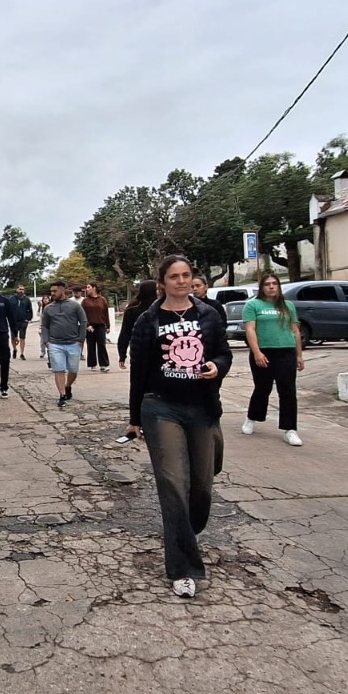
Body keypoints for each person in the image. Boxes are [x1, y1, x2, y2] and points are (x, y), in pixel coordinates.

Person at [124, 255, 232, 599]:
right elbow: (138, 372)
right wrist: (134, 418)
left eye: (186, 275)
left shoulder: (209, 314)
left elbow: (224, 353)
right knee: (172, 484)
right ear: (163, 282)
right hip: (161, 407)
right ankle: (182, 568)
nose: (182, 281)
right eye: (174, 277)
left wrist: (216, 366)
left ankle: (185, 532)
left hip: (201, 408)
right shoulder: (148, 320)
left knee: (201, 486)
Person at [241, 273, 305, 446]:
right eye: (267, 284)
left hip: (286, 352)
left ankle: (290, 429)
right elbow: (250, 330)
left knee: (288, 391)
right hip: (264, 352)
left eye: (274, 284)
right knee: (262, 388)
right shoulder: (253, 305)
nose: (271, 287)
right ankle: (252, 417)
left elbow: (295, 331)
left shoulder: (288, 306)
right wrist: (257, 352)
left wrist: (299, 355)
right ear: (261, 287)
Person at [40, 280, 85, 406]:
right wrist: (47, 341)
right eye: (51, 291)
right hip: (55, 344)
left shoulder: (75, 306)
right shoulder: (48, 308)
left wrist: (81, 339)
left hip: (73, 343)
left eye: (55, 291)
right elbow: (45, 326)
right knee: (58, 369)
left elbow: (83, 321)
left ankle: (68, 385)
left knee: (73, 370)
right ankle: (62, 394)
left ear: (63, 290)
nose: (52, 293)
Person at [115, 280, 158, 371]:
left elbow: (124, 334)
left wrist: (122, 355)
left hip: (143, 351)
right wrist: (122, 354)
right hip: (143, 351)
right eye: (157, 289)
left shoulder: (162, 307)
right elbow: (125, 333)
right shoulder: (133, 310)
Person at [82, 285, 112, 372]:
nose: (87, 289)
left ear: (94, 288)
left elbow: (106, 313)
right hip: (90, 325)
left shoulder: (102, 300)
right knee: (91, 345)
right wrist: (87, 325)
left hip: (100, 325)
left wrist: (108, 326)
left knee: (102, 344)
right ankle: (92, 364)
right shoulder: (85, 301)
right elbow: (83, 314)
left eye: (89, 287)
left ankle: (104, 364)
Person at [7, 284, 34, 360]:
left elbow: (30, 310)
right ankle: (14, 349)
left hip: (23, 321)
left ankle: (22, 353)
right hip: (13, 321)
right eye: (20, 289)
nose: (21, 291)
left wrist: (28, 319)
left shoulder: (27, 299)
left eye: (23, 289)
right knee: (13, 337)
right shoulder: (11, 299)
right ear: (16, 290)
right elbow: (8, 309)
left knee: (22, 337)